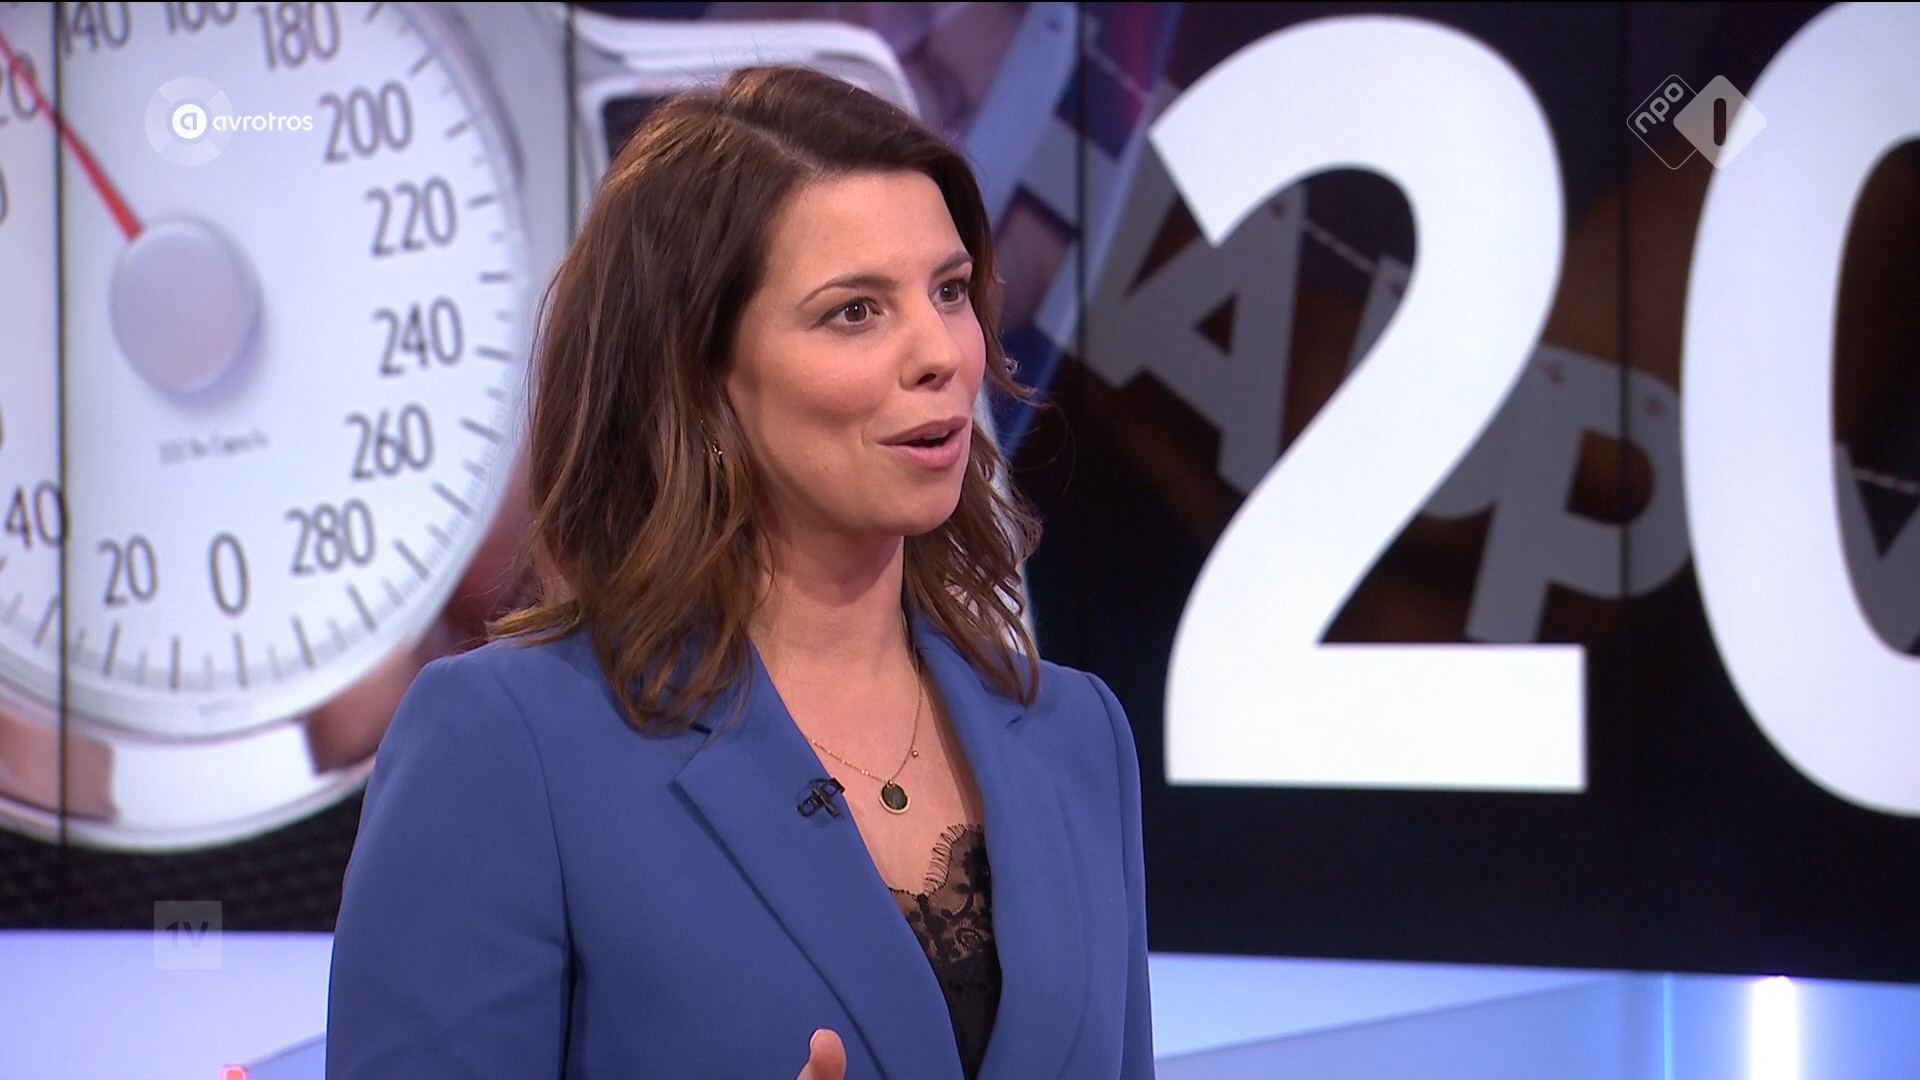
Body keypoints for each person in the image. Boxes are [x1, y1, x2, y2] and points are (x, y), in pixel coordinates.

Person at [324, 64, 1153, 1080]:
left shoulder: (1076, 739)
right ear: (701, 373)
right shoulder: (509, 746)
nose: (939, 352)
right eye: (856, 311)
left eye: (949, 291)